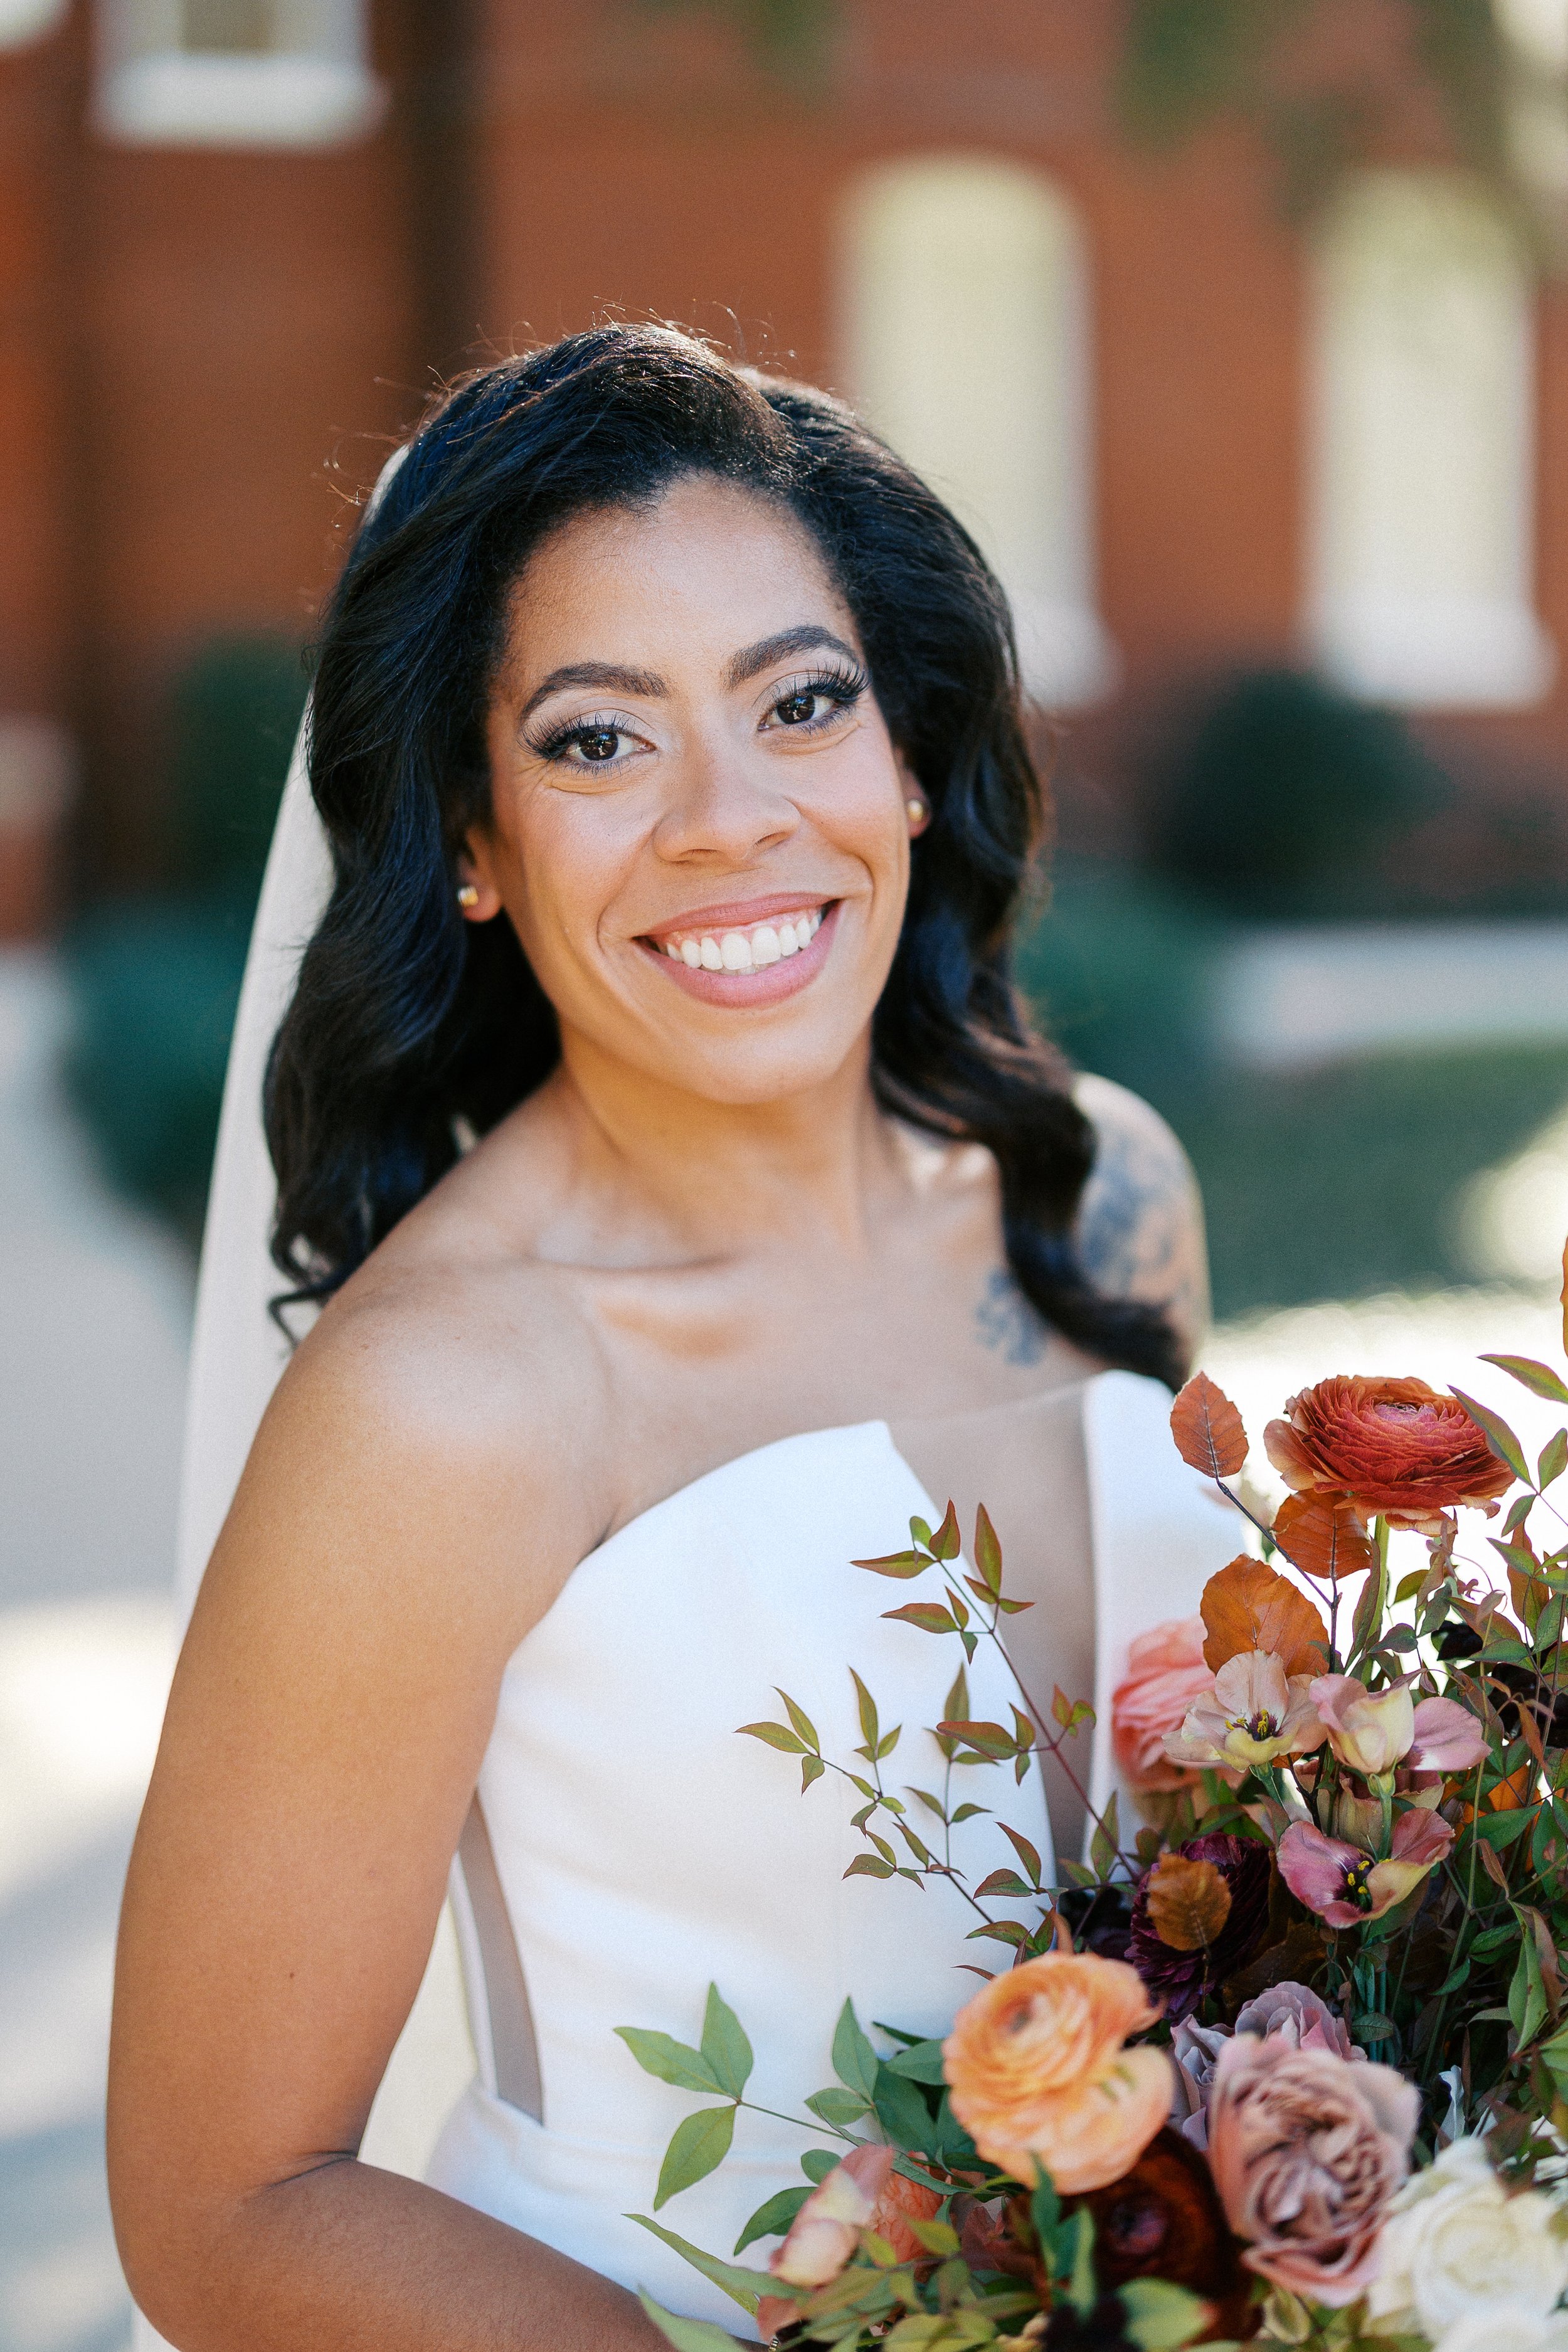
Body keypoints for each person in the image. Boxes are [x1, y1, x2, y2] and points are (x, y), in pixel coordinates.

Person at [107, 324, 1229, 2352]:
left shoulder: (1107, 1205)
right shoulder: (443, 1402)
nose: (727, 820)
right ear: (468, 839)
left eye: (799, 703)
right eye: (596, 742)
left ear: (905, 750)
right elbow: (227, 2208)